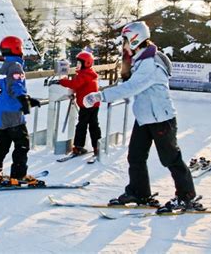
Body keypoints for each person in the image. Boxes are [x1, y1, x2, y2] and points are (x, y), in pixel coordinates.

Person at [84, 21, 200, 213]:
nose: (123, 45)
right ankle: (139, 192)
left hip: (160, 118)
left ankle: (185, 196)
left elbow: (132, 87)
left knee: (171, 158)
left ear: (134, 39)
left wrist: (100, 96)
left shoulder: (150, 63)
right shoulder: (140, 59)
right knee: (136, 157)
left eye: (125, 41)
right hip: (145, 118)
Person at [0, 36, 41, 186]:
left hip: (0, 115)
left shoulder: (4, 66)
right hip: (12, 115)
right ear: (17, 49)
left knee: (1, 146)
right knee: (22, 144)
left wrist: (28, 99)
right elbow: (15, 86)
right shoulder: (15, 66)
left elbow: (7, 89)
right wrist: (23, 98)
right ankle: (19, 175)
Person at [50, 51, 101, 156]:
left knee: (82, 125)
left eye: (79, 63)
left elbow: (75, 84)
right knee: (94, 125)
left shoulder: (84, 75)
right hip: (94, 105)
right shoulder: (89, 73)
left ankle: (78, 146)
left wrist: (62, 81)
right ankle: (97, 146)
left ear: (86, 64)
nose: (77, 65)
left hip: (86, 105)